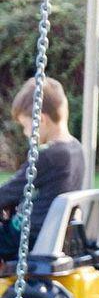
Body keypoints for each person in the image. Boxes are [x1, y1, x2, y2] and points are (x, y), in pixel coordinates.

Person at [0, 79, 86, 262]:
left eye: (25, 126)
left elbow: (9, 192)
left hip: (29, 237)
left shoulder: (49, 156)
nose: (25, 133)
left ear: (41, 120)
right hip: (55, 235)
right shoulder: (76, 149)